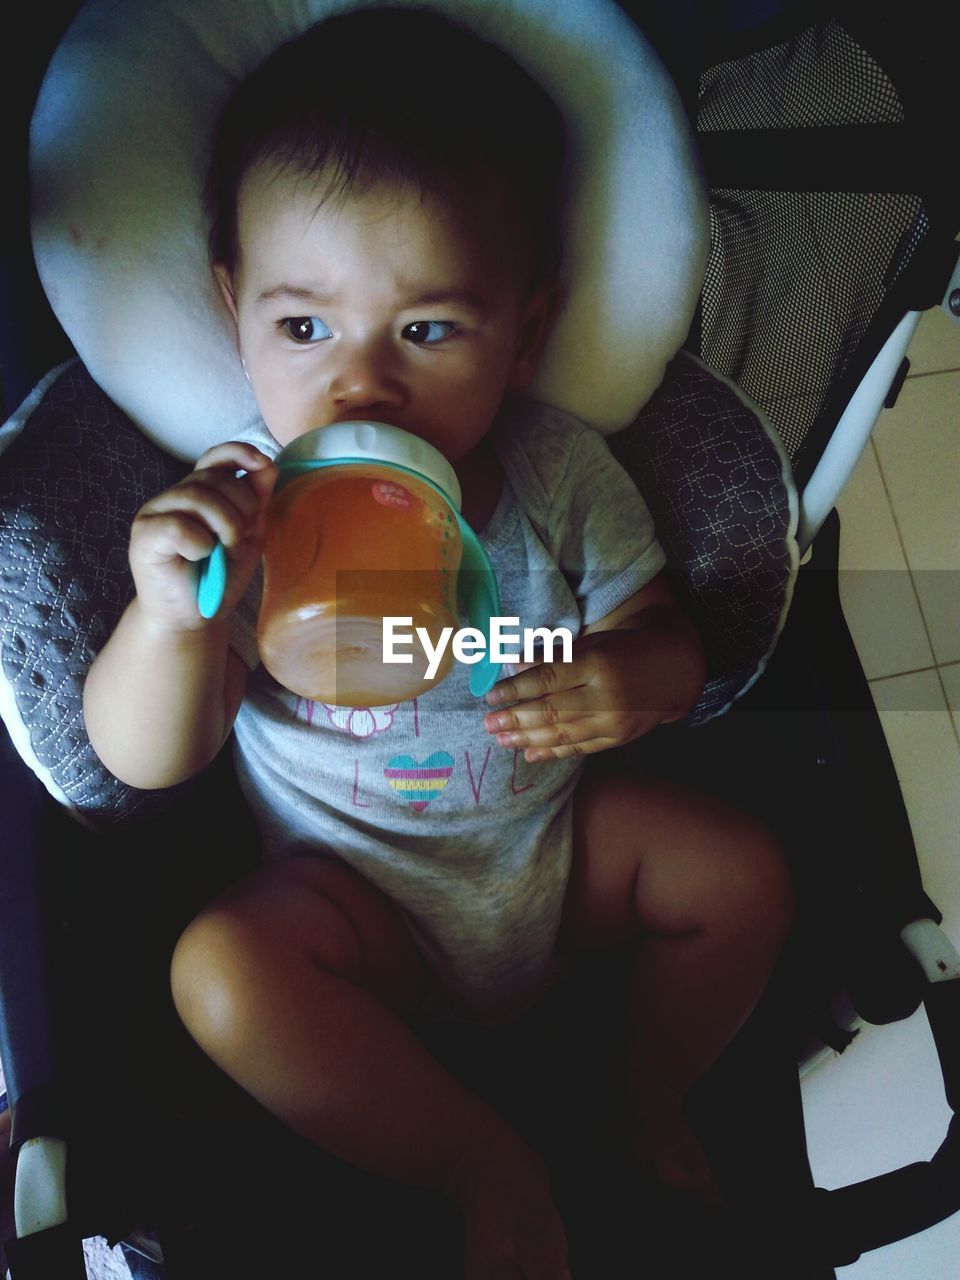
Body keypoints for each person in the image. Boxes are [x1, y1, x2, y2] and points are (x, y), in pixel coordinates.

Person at [83, 8, 794, 1277]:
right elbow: (144, 759)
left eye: (426, 330)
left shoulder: (558, 472)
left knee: (740, 874)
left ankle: (648, 1091)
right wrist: (167, 611)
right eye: (305, 330)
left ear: (524, 331)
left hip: (559, 858)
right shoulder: (242, 506)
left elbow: (669, 645)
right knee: (221, 969)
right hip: (350, 902)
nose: (362, 388)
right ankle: (476, 1157)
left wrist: (631, 681)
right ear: (233, 309)